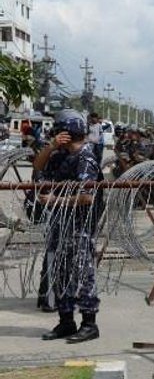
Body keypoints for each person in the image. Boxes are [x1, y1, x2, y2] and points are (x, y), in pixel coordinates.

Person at [34, 109, 102, 344]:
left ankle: (89, 324)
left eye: (59, 131)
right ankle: (66, 321)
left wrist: (56, 201)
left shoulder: (86, 157)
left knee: (82, 273)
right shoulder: (60, 154)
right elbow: (38, 166)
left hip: (79, 225)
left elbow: (87, 197)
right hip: (60, 225)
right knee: (61, 273)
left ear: (68, 132)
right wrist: (51, 146)